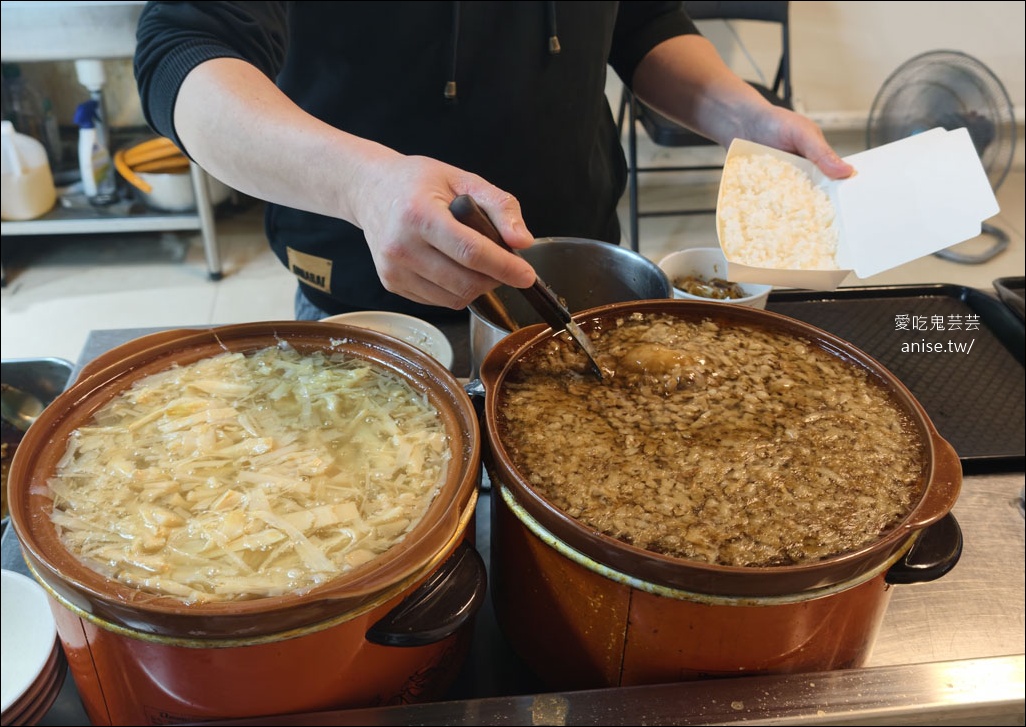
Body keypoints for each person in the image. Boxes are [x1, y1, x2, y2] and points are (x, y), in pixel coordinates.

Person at [134, 2, 853, 322]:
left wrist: (749, 117)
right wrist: (364, 185)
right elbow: (182, 50)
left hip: (579, 279)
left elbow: (641, 22)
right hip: (370, 293)